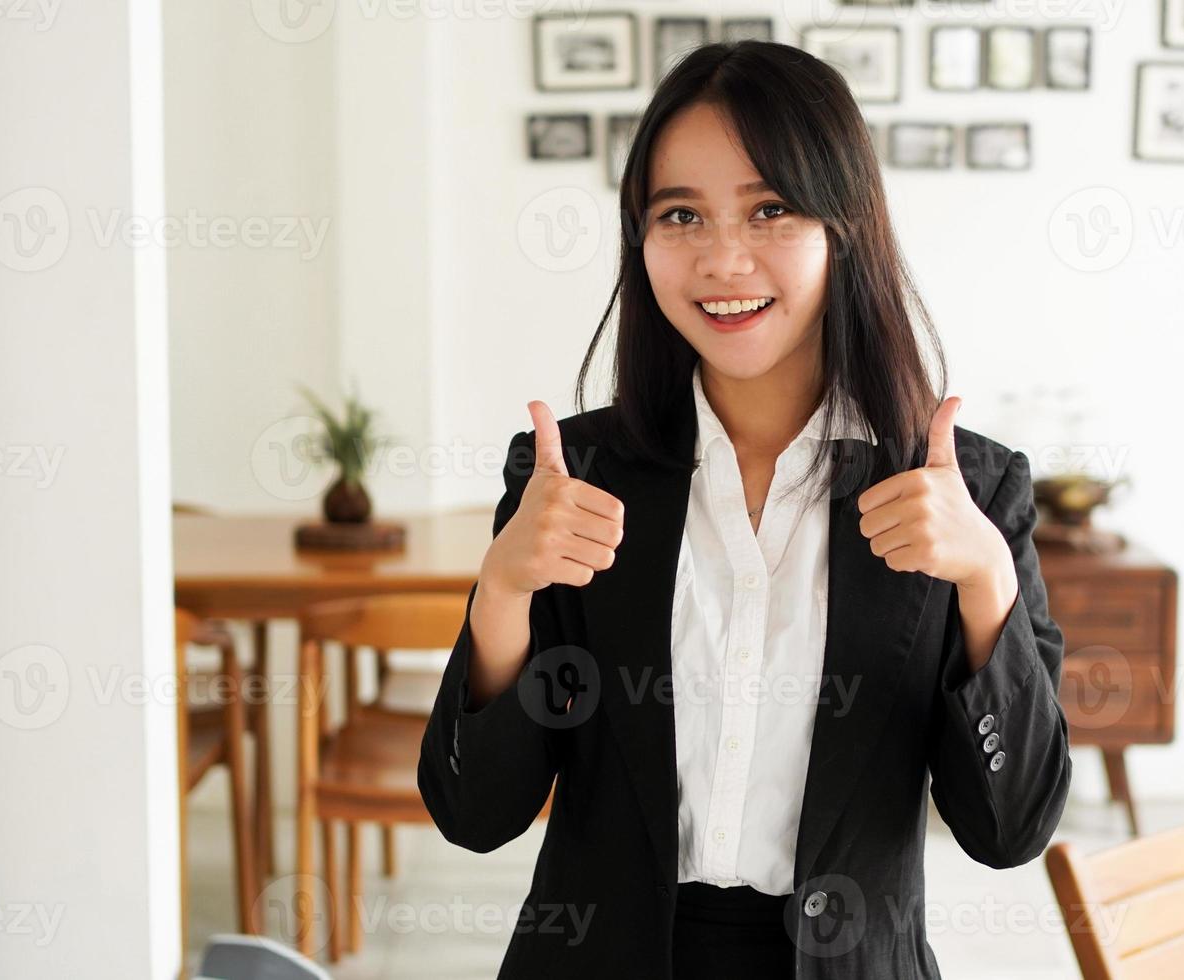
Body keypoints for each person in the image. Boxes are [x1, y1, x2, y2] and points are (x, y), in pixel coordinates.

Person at [419, 39, 1071, 980]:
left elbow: (1009, 831)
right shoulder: (574, 477)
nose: (723, 259)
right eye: (680, 214)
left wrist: (987, 584)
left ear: (844, 226)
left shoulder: (965, 494)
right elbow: (474, 816)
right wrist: (503, 596)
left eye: (770, 209)